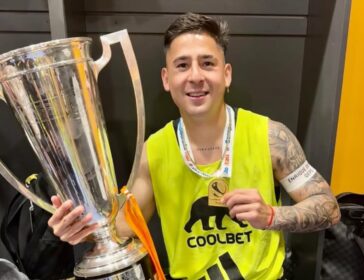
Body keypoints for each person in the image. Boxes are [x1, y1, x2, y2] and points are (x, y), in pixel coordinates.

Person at [48, 13, 341, 279]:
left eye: (207, 63)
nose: (196, 76)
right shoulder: (154, 151)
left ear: (226, 74)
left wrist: (272, 215)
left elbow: (328, 207)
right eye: (182, 65)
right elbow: (121, 230)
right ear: (167, 79)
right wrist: (83, 228)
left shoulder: (270, 136)